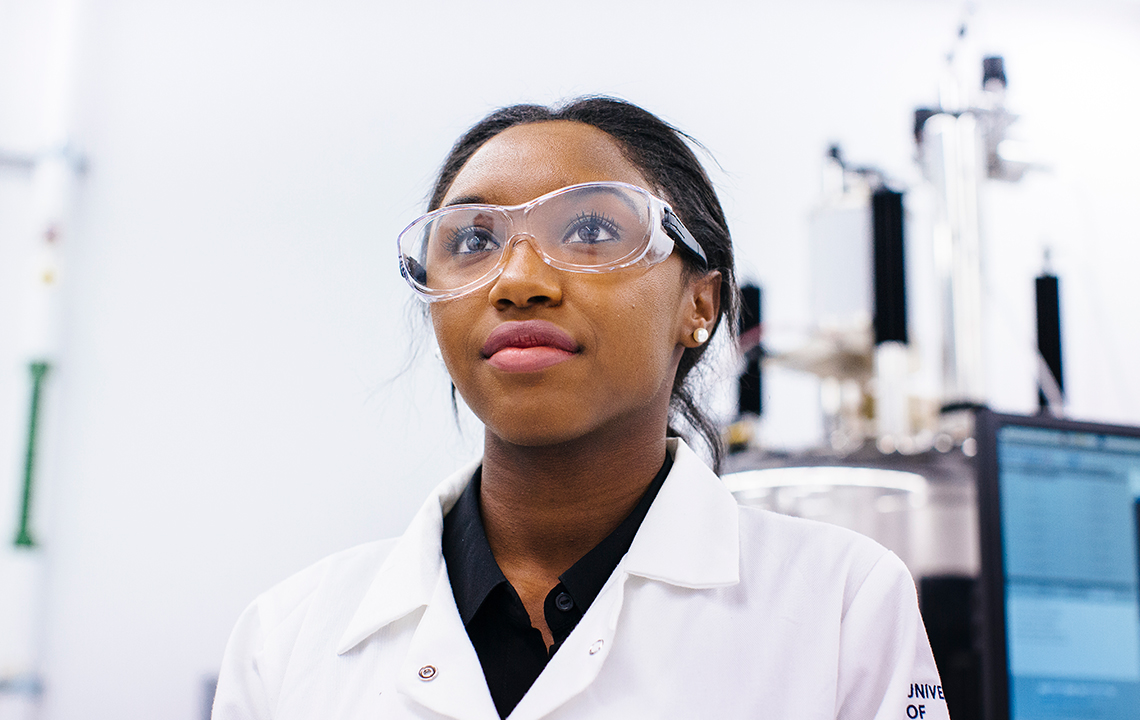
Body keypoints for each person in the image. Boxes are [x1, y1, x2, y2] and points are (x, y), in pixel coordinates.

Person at [212, 97, 949, 720]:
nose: (519, 279)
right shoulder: (287, 641)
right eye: (473, 239)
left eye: (591, 230)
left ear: (701, 303)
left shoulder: (842, 606)